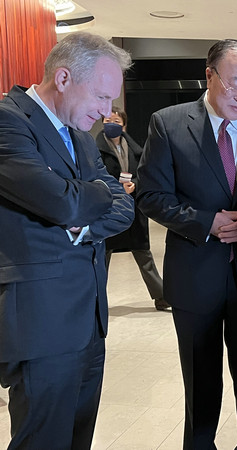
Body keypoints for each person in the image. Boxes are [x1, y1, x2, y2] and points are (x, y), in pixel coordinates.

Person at [136, 39, 237, 449]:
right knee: (201, 387)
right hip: (195, 276)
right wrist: (205, 222)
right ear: (209, 75)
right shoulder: (169, 123)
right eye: (234, 84)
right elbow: (150, 196)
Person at [0, 32, 134, 449]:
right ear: (63, 78)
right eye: (101, 97)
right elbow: (62, 203)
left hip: (88, 321)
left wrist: (87, 218)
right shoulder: (8, 121)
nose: (107, 112)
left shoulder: (78, 133)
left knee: (78, 439)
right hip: (42, 322)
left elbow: (125, 207)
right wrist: (95, 192)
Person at [96, 106, 169, 311]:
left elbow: (145, 173)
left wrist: (134, 184)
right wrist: (116, 189)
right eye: (108, 121)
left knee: (143, 252)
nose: (112, 124)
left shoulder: (136, 149)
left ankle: (161, 296)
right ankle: (95, 298)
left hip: (133, 207)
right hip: (108, 208)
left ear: (124, 125)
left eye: (116, 122)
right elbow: (94, 176)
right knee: (103, 256)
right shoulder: (95, 150)